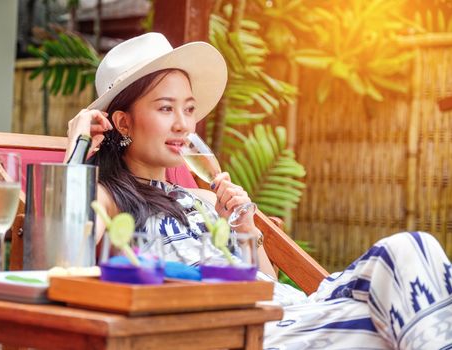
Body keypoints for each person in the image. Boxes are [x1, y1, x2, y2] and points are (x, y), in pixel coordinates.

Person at [66, 32, 452, 349]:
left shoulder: (201, 199)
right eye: (167, 109)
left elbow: (264, 281)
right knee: (389, 319)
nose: (185, 125)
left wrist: (245, 229)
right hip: (243, 331)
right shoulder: (106, 198)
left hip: (289, 312)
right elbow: (59, 254)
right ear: (124, 122)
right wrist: (77, 149)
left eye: (189, 109)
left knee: (410, 251)